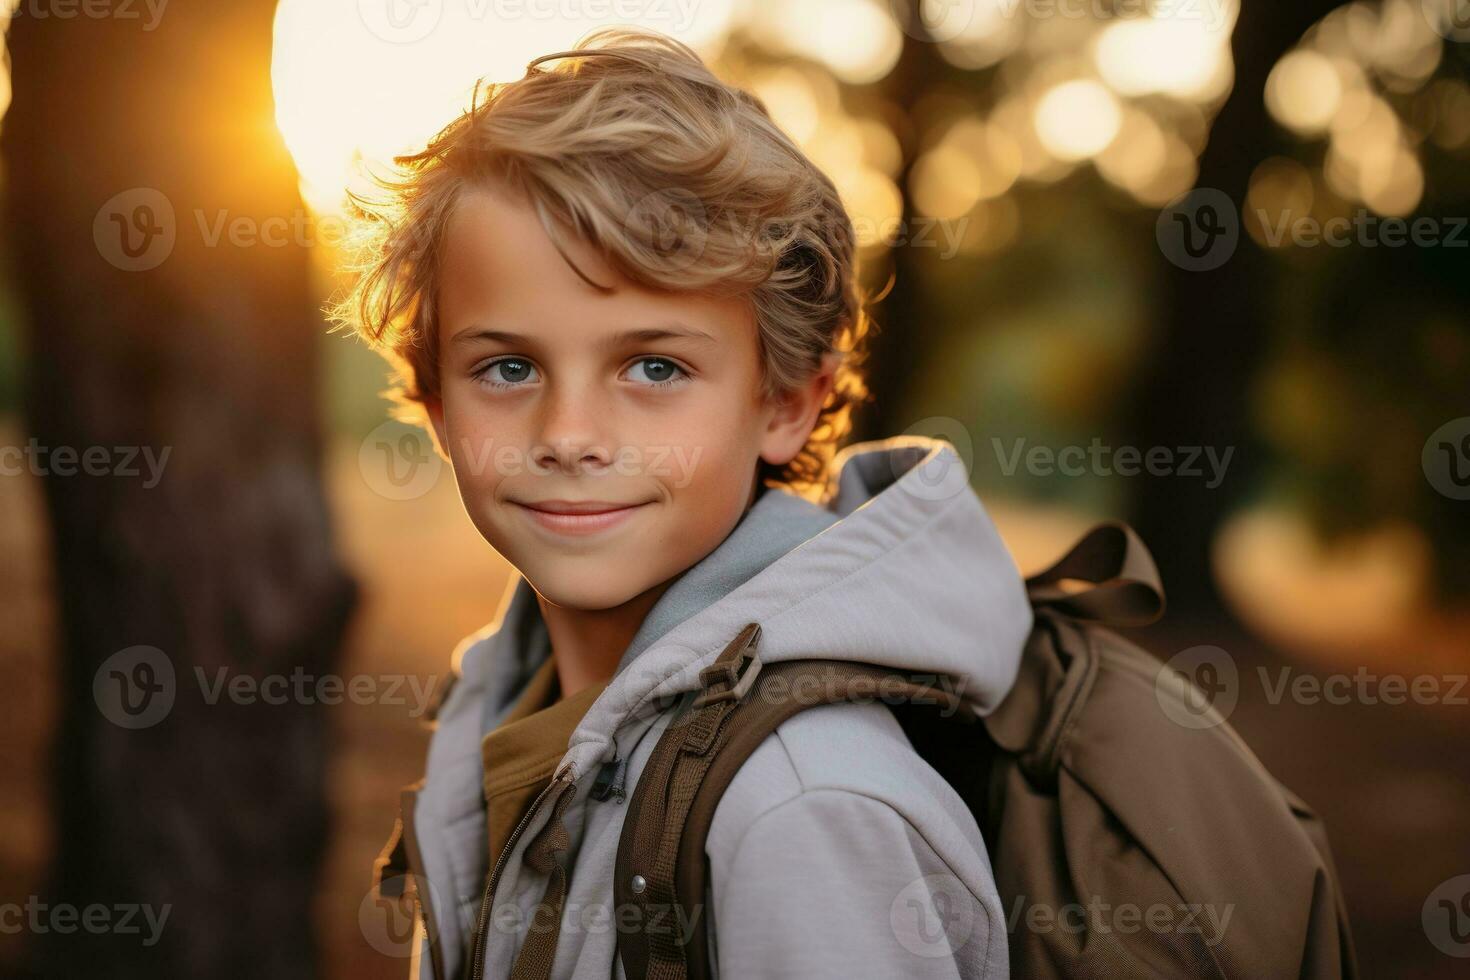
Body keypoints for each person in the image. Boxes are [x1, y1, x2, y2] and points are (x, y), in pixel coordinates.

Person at [336, 26, 1032, 979]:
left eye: (654, 366)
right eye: (507, 366)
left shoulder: (802, 810)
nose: (570, 432)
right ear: (434, 399)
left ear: (786, 402)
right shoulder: (502, 704)